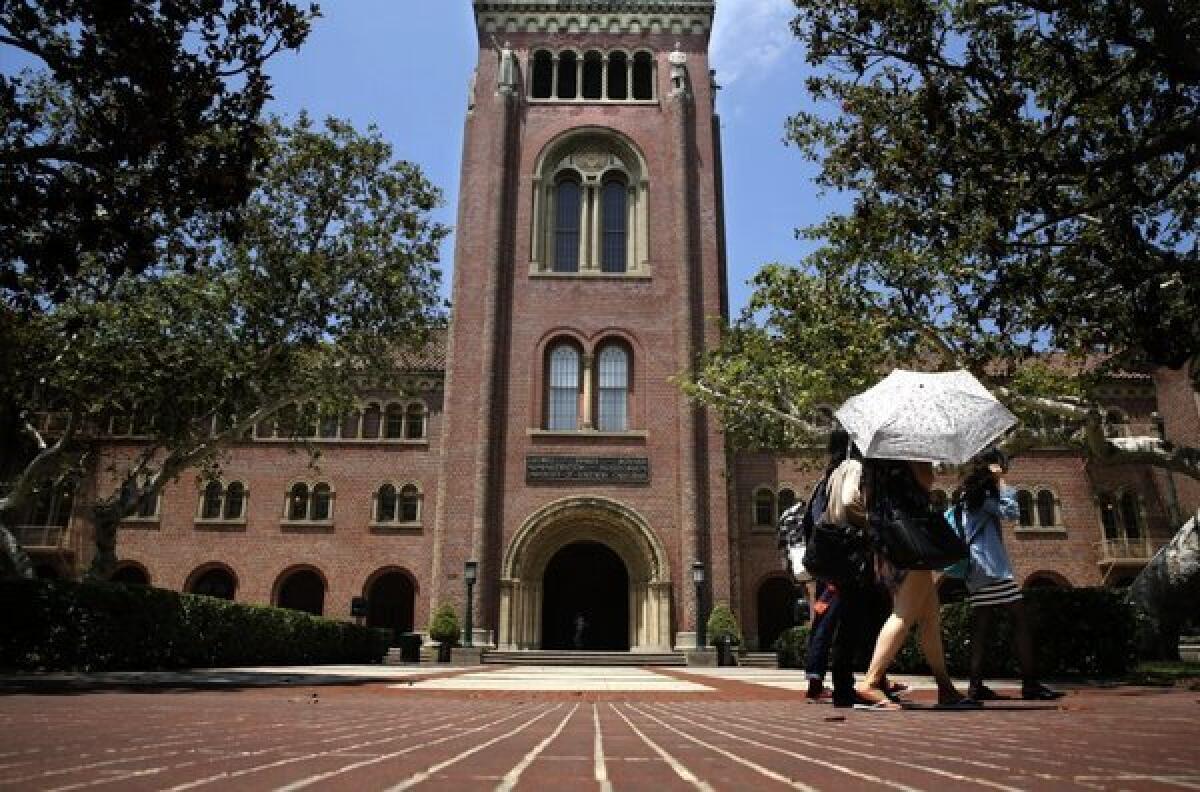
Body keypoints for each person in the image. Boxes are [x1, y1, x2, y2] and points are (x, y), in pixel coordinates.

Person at [853, 459, 979, 710]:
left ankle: (945, 687)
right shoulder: (907, 454)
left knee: (930, 614)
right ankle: (870, 681)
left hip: (890, 539)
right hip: (912, 539)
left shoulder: (873, 463)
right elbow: (927, 479)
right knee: (905, 613)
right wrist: (923, 463)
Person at [953, 451, 1064, 701]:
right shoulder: (983, 496)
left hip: (975, 569)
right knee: (1020, 619)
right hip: (991, 568)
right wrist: (1002, 482)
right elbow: (1012, 513)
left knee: (981, 626)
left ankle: (975, 686)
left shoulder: (966, 495)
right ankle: (1030, 684)